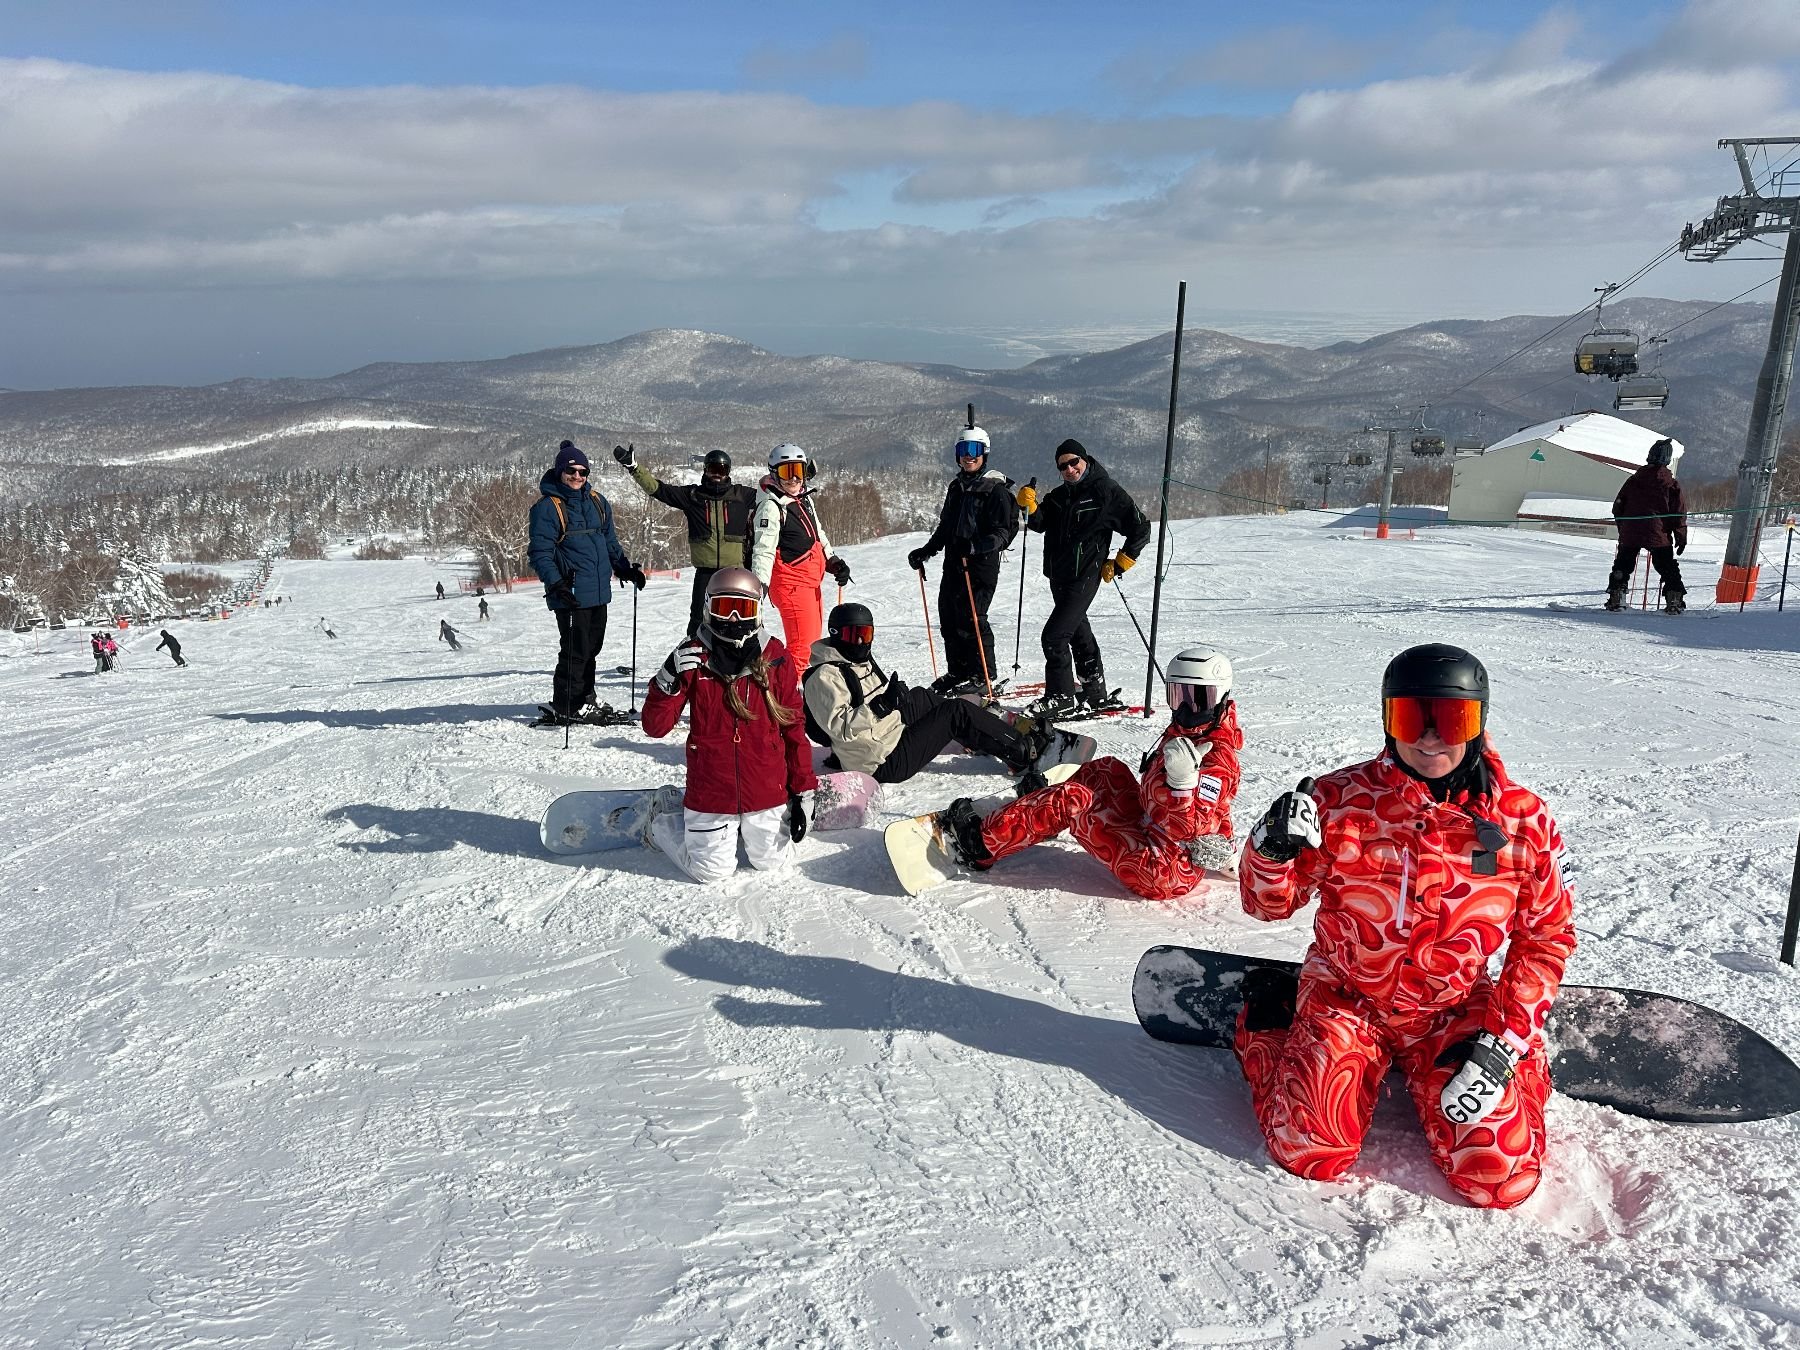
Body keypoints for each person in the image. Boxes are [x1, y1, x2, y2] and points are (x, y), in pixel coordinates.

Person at [1233, 643, 1575, 1210]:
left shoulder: (1520, 820)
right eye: (1412, 718)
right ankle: (1272, 1029)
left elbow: (1545, 937)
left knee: (1499, 1181)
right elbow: (1266, 905)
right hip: (1350, 997)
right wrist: (1270, 850)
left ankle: (1524, 1071)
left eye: (1451, 719)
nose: (1430, 737)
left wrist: (1505, 1045)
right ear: (1389, 719)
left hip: (1450, 1006)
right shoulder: (1339, 801)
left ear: (1479, 721)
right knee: (1310, 1153)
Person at [931, 647, 1243, 898]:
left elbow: (1193, 828)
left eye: (1200, 698)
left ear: (1221, 699)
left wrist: (1182, 785)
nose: (1187, 709)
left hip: (1163, 869)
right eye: (1179, 696)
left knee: (1074, 801)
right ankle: (1041, 813)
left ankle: (979, 846)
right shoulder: (1190, 730)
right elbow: (1221, 818)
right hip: (1153, 828)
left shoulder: (1216, 757)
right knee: (1107, 770)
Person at [640, 567, 817, 882]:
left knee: (771, 863)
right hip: (712, 791)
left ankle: (743, 829)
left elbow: (793, 730)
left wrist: (803, 790)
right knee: (710, 872)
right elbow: (655, 727)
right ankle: (664, 818)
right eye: (724, 607)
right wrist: (667, 678)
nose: (734, 618)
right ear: (708, 607)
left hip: (765, 789)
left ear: (758, 610)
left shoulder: (776, 657)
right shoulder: (692, 656)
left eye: (743, 608)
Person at [803, 602, 1056, 786]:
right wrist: (882, 705)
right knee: (955, 712)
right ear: (836, 635)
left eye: (866, 634)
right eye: (853, 635)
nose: (861, 642)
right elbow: (840, 728)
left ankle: (981, 731)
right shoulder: (824, 677)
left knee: (921, 696)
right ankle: (1021, 751)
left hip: (885, 734)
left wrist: (894, 699)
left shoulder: (851, 659)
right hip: (882, 761)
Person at [1018, 438, 1151, 718]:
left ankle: (1061, 697)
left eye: (1073, 462)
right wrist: (1029, 507)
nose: (1069, 469)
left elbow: (1140, 526)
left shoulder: (1106, 491)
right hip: (1058, 575)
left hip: (1085, 575)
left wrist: (1122, 561)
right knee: (1078, 633)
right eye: (1063, 466)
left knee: (1054, 637)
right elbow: (1041, 523)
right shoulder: (1059, 495)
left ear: (1085, 460)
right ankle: (1094, 692)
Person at [527, 439, 647, 727]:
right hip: (569, 591)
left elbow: (609, 542)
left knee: (591, 647)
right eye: (571, 472)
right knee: (575, 649)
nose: (577, 477)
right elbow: (540, 553)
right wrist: (556, 585)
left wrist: (624, 568)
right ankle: (568, 703)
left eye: (583, 472)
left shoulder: (597, 502)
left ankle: (585, 697)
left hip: (597, 591)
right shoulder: (548, 508)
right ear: (559, 472)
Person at [907, 425, 1019, 695]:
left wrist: (976, 546)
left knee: (972, 618)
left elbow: (1005, 532)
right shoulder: (957, 487)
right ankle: (958, 671)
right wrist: (927, 550)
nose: (968, 456)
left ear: (984, 453)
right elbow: (946, 526)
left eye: (974, 450)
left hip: (980, 565)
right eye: (962, 450)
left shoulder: (995, 490)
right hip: (954, 562)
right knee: (949, 616)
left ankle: (984, 675)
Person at [614, 442, 757, 636]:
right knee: (699, 619)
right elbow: (658, 489)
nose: (717, 473)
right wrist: (633, 467)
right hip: (705, 573)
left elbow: (773, 496)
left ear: (728, 472)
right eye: (712, 468)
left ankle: (740, 660)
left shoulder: (742, 495)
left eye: (721, 469)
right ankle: (693, 659)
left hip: (735, 572)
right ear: (705, 470)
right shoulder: (693, 496)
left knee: (740, 619)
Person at [750, 443, 851, 665]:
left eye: (799, 471)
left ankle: (805, 693)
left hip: (809, 584)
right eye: (787, 472)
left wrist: (832, 560)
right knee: (802, 651)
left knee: (812, 645)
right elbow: (763, 549)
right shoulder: (771, 506)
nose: (794, 479)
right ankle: (793, 697)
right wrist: (759, 587)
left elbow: (818, 534)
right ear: (774, 473)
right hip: (791, 586)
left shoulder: (803, 499)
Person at [1607, 437, 1688, 613]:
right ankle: (1674, 599)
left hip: (1631, 531)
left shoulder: (1633, 480)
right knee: (1667, 566)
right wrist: (1680, 536)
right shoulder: (1671, 485)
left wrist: (1624, 529)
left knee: (1623, 563)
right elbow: (1678, 514)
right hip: (1658, 533)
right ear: (1667, 459)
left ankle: (1616, 596)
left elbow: (1618, 507)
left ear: (1650, 456)